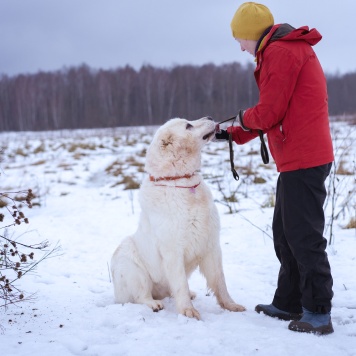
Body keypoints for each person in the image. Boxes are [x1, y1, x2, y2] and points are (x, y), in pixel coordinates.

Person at [215, 2, 335, 335]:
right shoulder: (281, 50)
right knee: (285, 232)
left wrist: (240, 118)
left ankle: (317, 311)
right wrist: (231, 132)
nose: (240, 46)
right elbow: (275, 112)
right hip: (298, 157)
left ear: (253, 35)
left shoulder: (281, 53)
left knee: (303, 236)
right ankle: (289, 301)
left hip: (305, 158)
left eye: (240, 38)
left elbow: (268, 112)